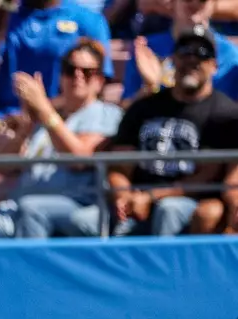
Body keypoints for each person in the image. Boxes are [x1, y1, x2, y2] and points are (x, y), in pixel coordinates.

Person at [0, 39, 121, 238]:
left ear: (99, 81)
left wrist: (44, 110)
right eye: (70, 69)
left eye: (87, 72)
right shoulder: (49, 117)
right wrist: (26, 128)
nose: (77, 76)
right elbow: (1, 165)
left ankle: (28, 260)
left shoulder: (106, 113)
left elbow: (80, 158)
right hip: (17, 209)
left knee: (32, 210)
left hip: (75, 206)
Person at [81, 26, 238, 236]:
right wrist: (123, 196)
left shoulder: (225, 114)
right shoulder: (144, 108)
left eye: (201, 53)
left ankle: (165, 260)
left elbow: (207, 176)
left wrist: (152, 196)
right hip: (136, 200)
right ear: (172, 59)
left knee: (169, 210)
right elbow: (120, 166)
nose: (192, 59)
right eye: (184, 51)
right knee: (81, 221)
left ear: (214, 65)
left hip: (183, 202)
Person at [0, 0, 114, 114]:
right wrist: (4, 7)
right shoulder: (8, 15)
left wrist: (40, 109)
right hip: (3, 115)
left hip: (64, 118)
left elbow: (98, 87)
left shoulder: (88, 20)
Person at [122, 0, 238, 101]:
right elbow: (125, 110)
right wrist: (150, 87)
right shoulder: (147, 49)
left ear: (213, 4)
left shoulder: (230, 55)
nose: (195, 2)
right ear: (172, 3)